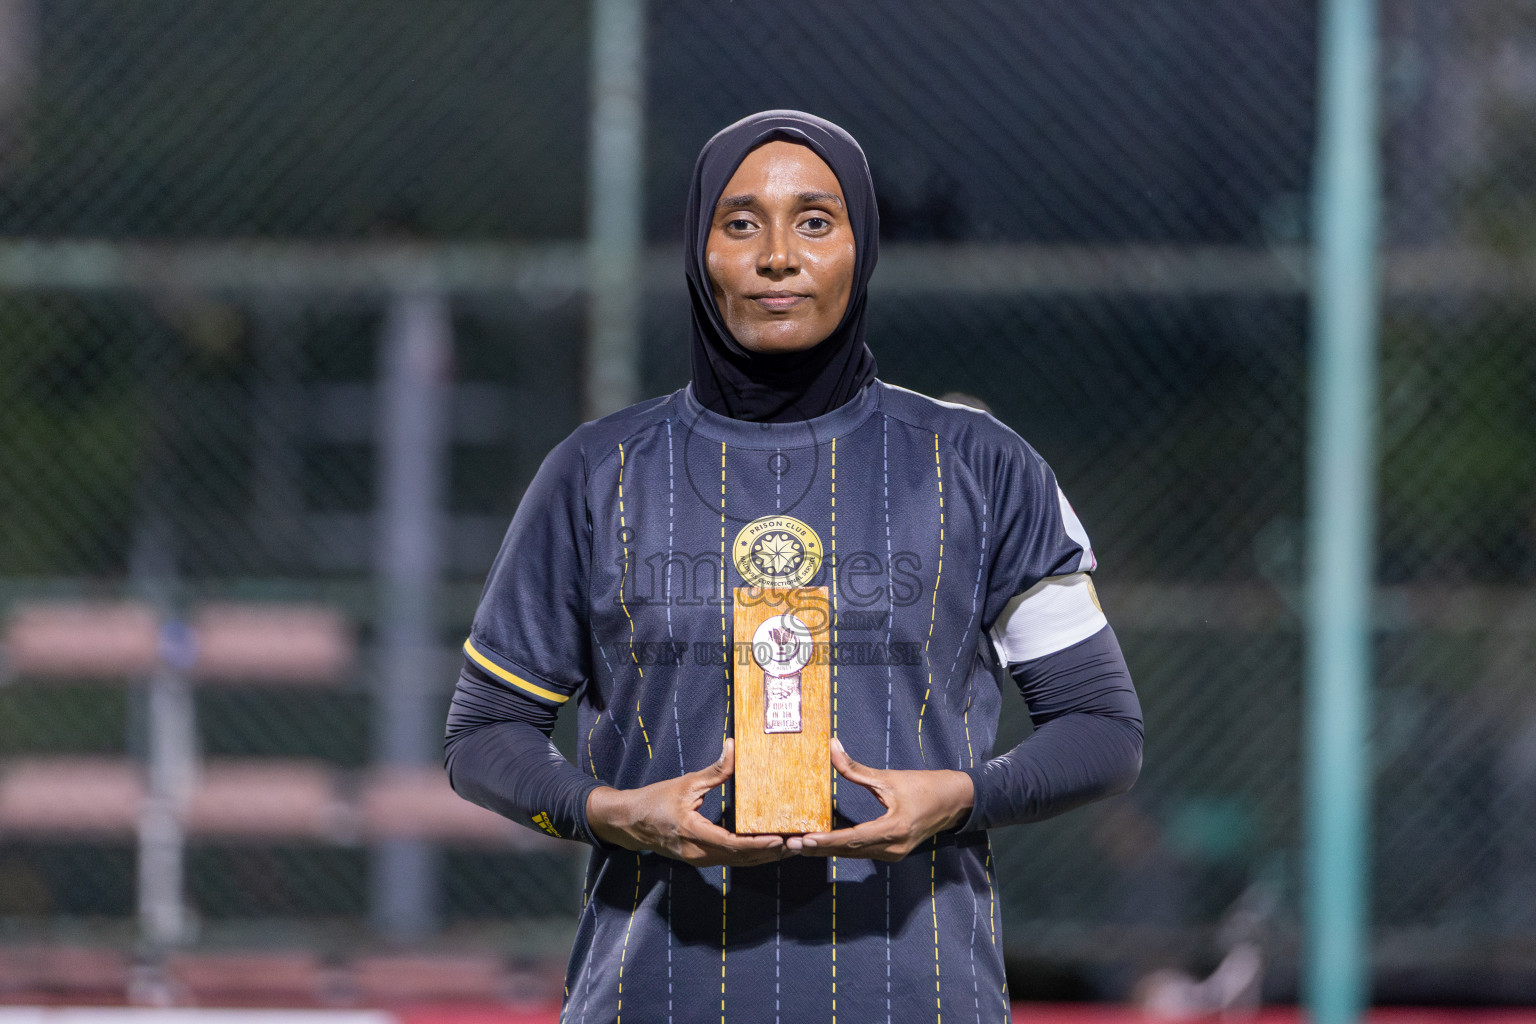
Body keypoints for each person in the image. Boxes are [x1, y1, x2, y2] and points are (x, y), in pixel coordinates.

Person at [443, 109, 1143, 1023]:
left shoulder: (981, 465)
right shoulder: (594, 473)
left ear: (863, 247)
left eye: (815, 221)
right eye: (741, 223)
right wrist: (611, 811)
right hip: (654, 1000)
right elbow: (483, 733)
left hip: (916, 1002)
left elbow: (1102, 727)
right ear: (700, 254)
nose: (778, 256)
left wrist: (963, 796)